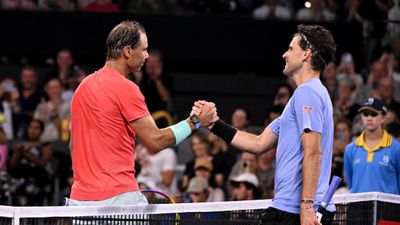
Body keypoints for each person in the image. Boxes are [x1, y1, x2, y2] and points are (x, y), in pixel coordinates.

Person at [193, 24, 336, 225]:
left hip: (296, 210)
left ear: (306, 54)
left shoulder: (308, 93)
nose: (284, 54)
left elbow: (313, 152)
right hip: (291, 207)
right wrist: (214, 125)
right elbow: (258, 143)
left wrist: (306, 206)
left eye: (291, 49)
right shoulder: (304, 96)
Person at [68, 20, 217, 207]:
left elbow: (74, 145)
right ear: (128, 51)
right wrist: (195, 121)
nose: (146, 55)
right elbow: (156, 141)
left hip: (79, 202)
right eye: (144, 49)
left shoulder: (82, 87)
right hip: (117, 201)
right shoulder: (126, 88)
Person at [344, 97, 400, 194]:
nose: (369, 118)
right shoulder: (351, 149)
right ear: (361, 117)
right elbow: (350, 181)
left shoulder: (396, 148)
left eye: (374, 114)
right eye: (365, 114)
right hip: (358, 207)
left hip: (388, 208)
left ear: (383, 117)